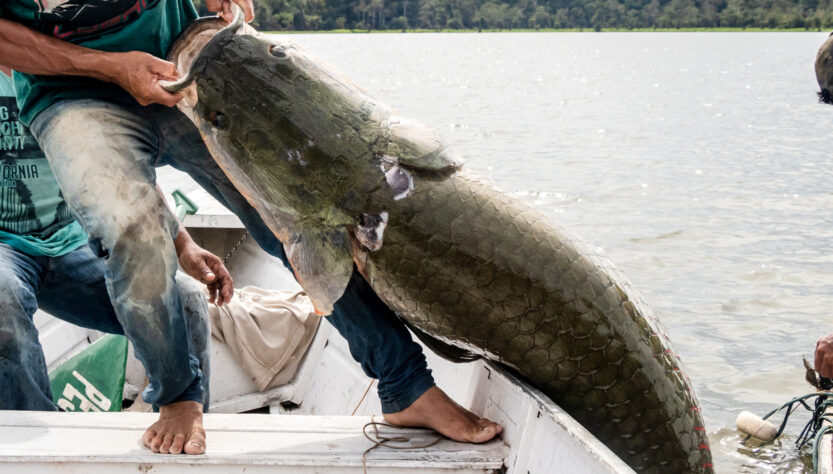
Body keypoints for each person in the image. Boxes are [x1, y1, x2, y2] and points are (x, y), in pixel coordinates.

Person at [0, 0, 502, 456]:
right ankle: (178, 397)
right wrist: (111, 66)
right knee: (131, 229)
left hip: (183, 56)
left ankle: (406, 387)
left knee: (296, 218)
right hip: (69, 93)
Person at [0, 64, 230, 454]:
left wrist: (184, 245)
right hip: (7, 250)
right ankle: (32, 446)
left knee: (187, 297)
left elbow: (122, 168)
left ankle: (184, 428)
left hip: (76, 242)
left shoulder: (66, 70)